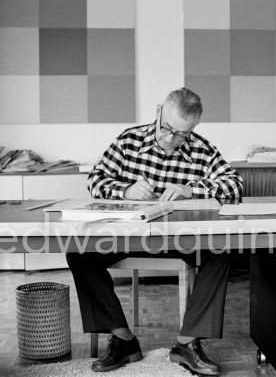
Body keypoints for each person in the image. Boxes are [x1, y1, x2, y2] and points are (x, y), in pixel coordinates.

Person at [66, 87, 243, 375]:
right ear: (158, 110)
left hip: (180, 239)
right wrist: (125, 190)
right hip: (127, 236)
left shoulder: (202, 149)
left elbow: (235, 184)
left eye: (182, 134)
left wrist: (191, 190)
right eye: (167, 128)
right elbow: (95, 180)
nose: (170, 139)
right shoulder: (128, 140)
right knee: (79, 252)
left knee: (221, 250)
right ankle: (123, 339)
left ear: (193, 128)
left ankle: (186, 343)